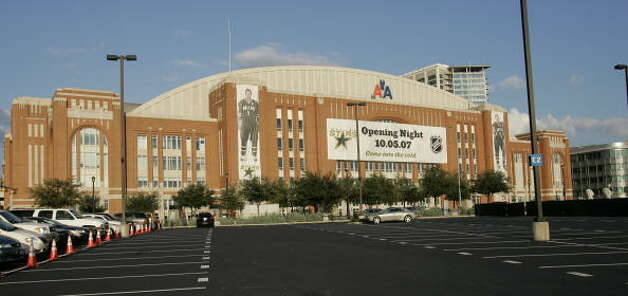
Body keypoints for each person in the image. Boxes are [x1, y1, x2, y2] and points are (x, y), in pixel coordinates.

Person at [238, 88, 259, 162]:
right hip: (245, 123)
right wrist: (239, 124)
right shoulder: (241, 102)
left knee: (254, 139)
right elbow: (239, 115)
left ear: (251, 94)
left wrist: (257, 124)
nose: (248, 95)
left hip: (253, 124)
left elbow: (257, 115)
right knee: (243, 139)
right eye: (247, 94)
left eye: (249, 94)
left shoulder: (255, 103)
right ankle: (243, 155)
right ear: (245, 94)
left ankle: (254, 155)